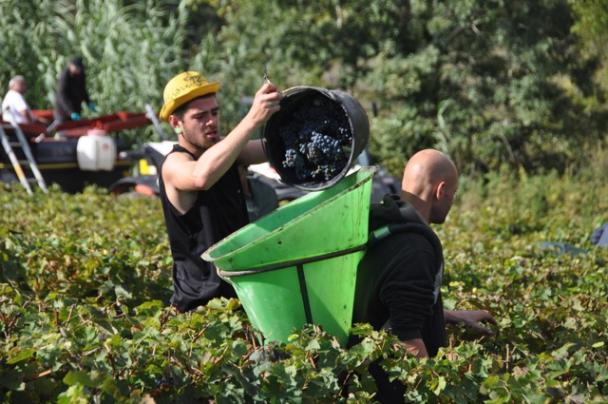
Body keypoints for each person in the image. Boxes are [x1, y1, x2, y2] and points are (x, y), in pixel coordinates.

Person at [351, 149, 497, 403]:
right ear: (440, 191)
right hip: (392, 391)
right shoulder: (415, 249)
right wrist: (438, 394)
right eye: (454, 192)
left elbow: (388, 310)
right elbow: (404, 335)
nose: (452, 200)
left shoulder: (385, 226)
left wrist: (453, 316)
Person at [158, 71, 282, 313]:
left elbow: (274, 149)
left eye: (214, 113)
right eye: (200, 116)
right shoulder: (174, 164)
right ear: (176, 123)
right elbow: (200, 176)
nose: (211, 121)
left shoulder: (225, 152)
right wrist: (251, 119)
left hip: (241, 298)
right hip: (200, 309)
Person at [53, 56, 96, 123]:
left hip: (76, 111)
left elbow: (82, 90)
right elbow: (62, 96)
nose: (78, 71)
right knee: (65, 131)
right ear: (70, 66)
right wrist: (71, 112)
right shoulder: (65, 76)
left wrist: (88, 102)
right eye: (76, 68)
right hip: (63, 112)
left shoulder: (81, 75)